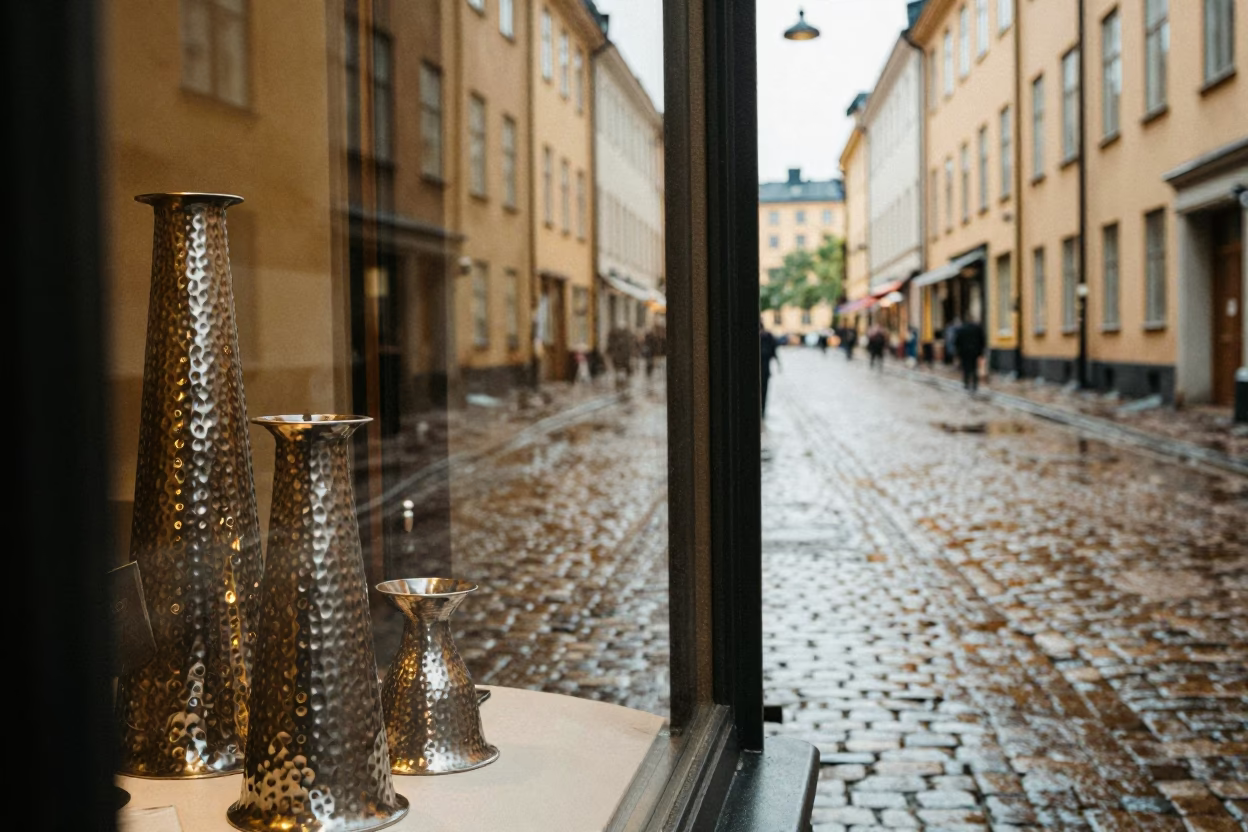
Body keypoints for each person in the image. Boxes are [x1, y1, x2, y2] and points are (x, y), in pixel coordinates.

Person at [953, 316, 987, 392]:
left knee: (966, 368)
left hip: (964, 352)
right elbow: (982, 340)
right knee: (974, 368)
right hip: (975, 352)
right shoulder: (977, 328)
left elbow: (957, 341)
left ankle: (966, 383)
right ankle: (975, 384)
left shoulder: (961, 329)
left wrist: (958, 352)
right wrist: (981, 352)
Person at [760, 320, 780, 419]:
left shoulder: (767, 337)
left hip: (764, 370)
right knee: (763, 391)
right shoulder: (768, 336)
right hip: (765, 370)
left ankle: (762, 410)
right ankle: (762, 410)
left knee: (763, 391)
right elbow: (774, 352)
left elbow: (774, 351)